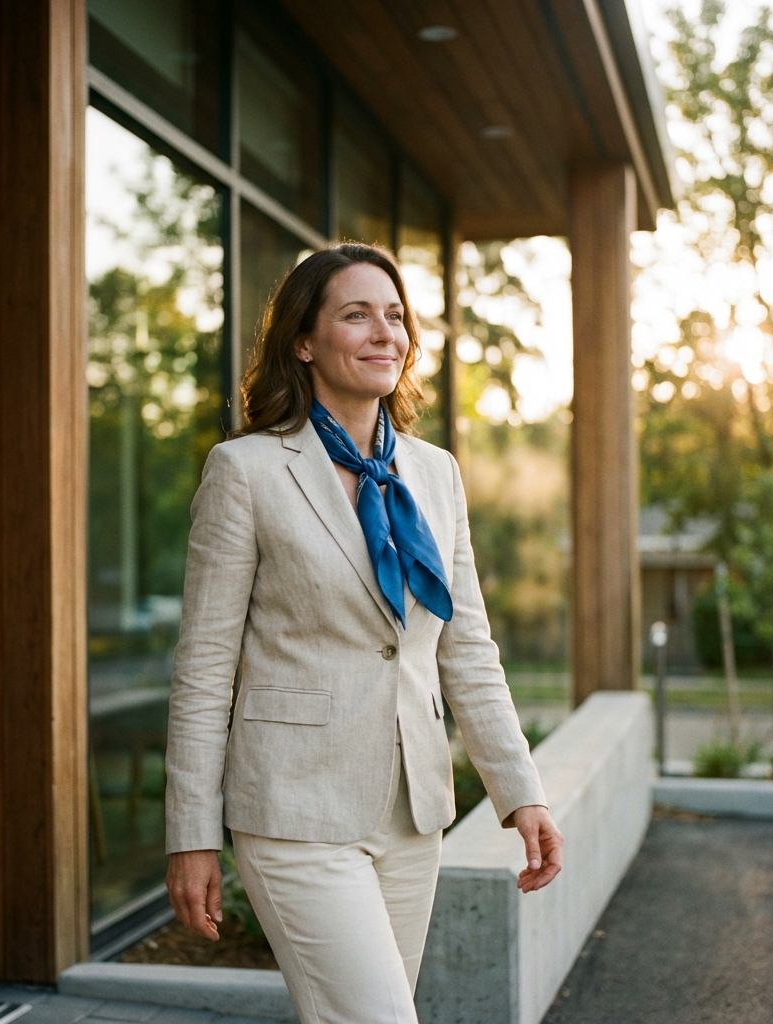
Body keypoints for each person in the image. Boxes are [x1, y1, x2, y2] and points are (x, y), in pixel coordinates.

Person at [164, 243, 562, 1024]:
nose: (385, 333)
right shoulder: (246, 471)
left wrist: (521, 793)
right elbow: (205, 667)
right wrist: (191, 833)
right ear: (303, 342)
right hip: (294, 810)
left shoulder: (435, 473)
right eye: (356, 315)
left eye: (395, 316)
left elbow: (466, 650)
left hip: (412, 813)